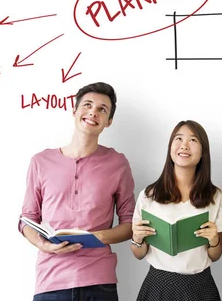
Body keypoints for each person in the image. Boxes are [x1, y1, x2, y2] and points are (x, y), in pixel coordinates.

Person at [19, 82, 135, 301]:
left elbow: (130, 224)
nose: (93, 112)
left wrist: (99, 236)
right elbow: (27, 219)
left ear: (108, 122)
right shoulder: (41, 162)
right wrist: (43, 244)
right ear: (74, 111)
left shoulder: (118, 163)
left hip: (99, 282)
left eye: (103, 109)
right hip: (50, 281)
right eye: (88, 105)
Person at [131, 120, 222, 301]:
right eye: (178, 138)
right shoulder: (149, 195)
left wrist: (215, 240)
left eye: (193, 140)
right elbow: (139, 254)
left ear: (203, 153)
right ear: (170, 148)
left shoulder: (216, 196)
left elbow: (215, 255)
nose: (184, 145)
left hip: (200, 286)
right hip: (157, 285)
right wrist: (137, 239)